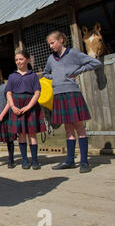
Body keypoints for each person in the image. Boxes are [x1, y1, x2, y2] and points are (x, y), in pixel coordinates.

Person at [43, 31, 102, 173]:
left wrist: (77, 71)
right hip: (58, 95)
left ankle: (84, 162)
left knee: (79, 127)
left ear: (61, 40)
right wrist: (55, 78)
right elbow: (45, 73)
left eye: (52, 43)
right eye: (49, 44)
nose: (51, 46)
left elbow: (95, 62)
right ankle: (69, 161)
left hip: (72, 93)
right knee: (68, 128)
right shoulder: (51, 59)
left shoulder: (73, 53)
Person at [6, 49, 46, 170]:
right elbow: (8, 93)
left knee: (32, 134)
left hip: (31, 106)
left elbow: (37, 93)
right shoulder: (12, 76)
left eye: (21, 59)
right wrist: (12, 107)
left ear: (27, 60)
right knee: (21, 134)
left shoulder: (33, 75)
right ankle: (24, 161)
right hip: (16, 106)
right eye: (17, 60)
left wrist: (29, 106)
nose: (18, 62)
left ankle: (35, 161)